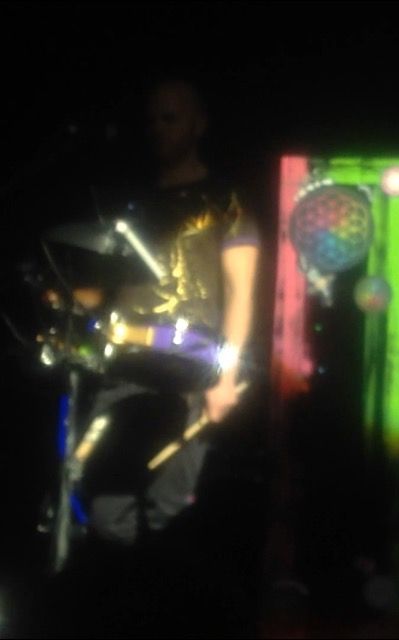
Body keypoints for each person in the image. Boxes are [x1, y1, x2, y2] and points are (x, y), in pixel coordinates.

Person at [69, 76, 260, 547]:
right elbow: (106, 292)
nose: (157, 128)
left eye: (170, 118)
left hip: (189, 373)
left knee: (165, 507)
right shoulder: (133, 203)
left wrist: (227, 377)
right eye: (151, 119)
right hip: (124, 369)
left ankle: (150, 578)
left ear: (198, 124)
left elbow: (241, 292)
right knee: (98, 501)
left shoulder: (226, 200)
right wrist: (61, 292)